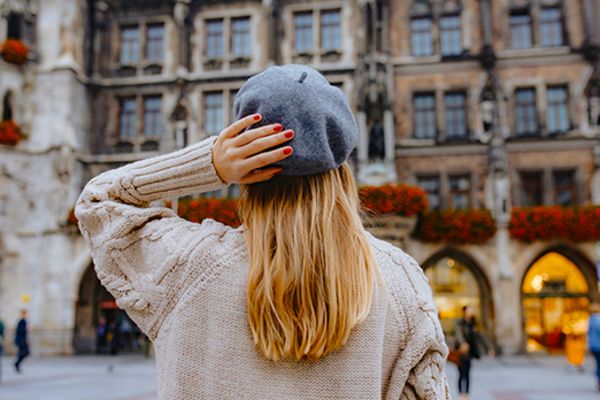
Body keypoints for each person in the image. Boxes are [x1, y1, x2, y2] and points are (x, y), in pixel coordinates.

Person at [75, 64, 450, 399]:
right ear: (342, 172)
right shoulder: (399, 284)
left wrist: (211, 164)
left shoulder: (187, 268)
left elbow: (97, 202)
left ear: (245, 170)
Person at [455, 305, 493, 399]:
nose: (471, 312)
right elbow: (459, 333)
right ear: (464, 312)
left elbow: (480, 337)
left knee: (467, 373)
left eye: (471, 311)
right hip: (461, 352)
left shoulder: (474, 324)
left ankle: (467, 394)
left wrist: (488, 348)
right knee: (461, 373)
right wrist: (462, 343)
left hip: (469, 353)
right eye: (469, 311)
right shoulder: (460, 322)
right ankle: (460, 394)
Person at [587, 302, 600, 390]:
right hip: (599, 346)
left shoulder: (590, 320)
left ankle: (598, 380)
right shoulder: (598, 320)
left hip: (593, 346)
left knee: (598, 364)